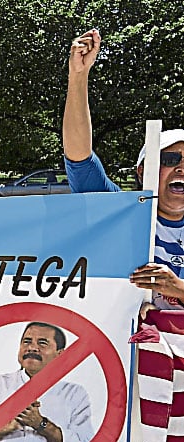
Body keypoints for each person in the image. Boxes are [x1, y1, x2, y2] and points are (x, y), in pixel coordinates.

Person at [63, 29, 184, 311]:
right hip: (132, 352)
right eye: (170, 159)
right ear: (143, 171)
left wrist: (175, 287)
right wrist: (78, 77)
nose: (181, 168)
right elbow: (79, 157)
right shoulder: (121, 215)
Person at [0, 322, 94, 442]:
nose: (32, 348)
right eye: (27, 341)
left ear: (60, 354)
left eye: (42, 343)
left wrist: (41, 424)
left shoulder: (74, 394)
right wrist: (5, 426)